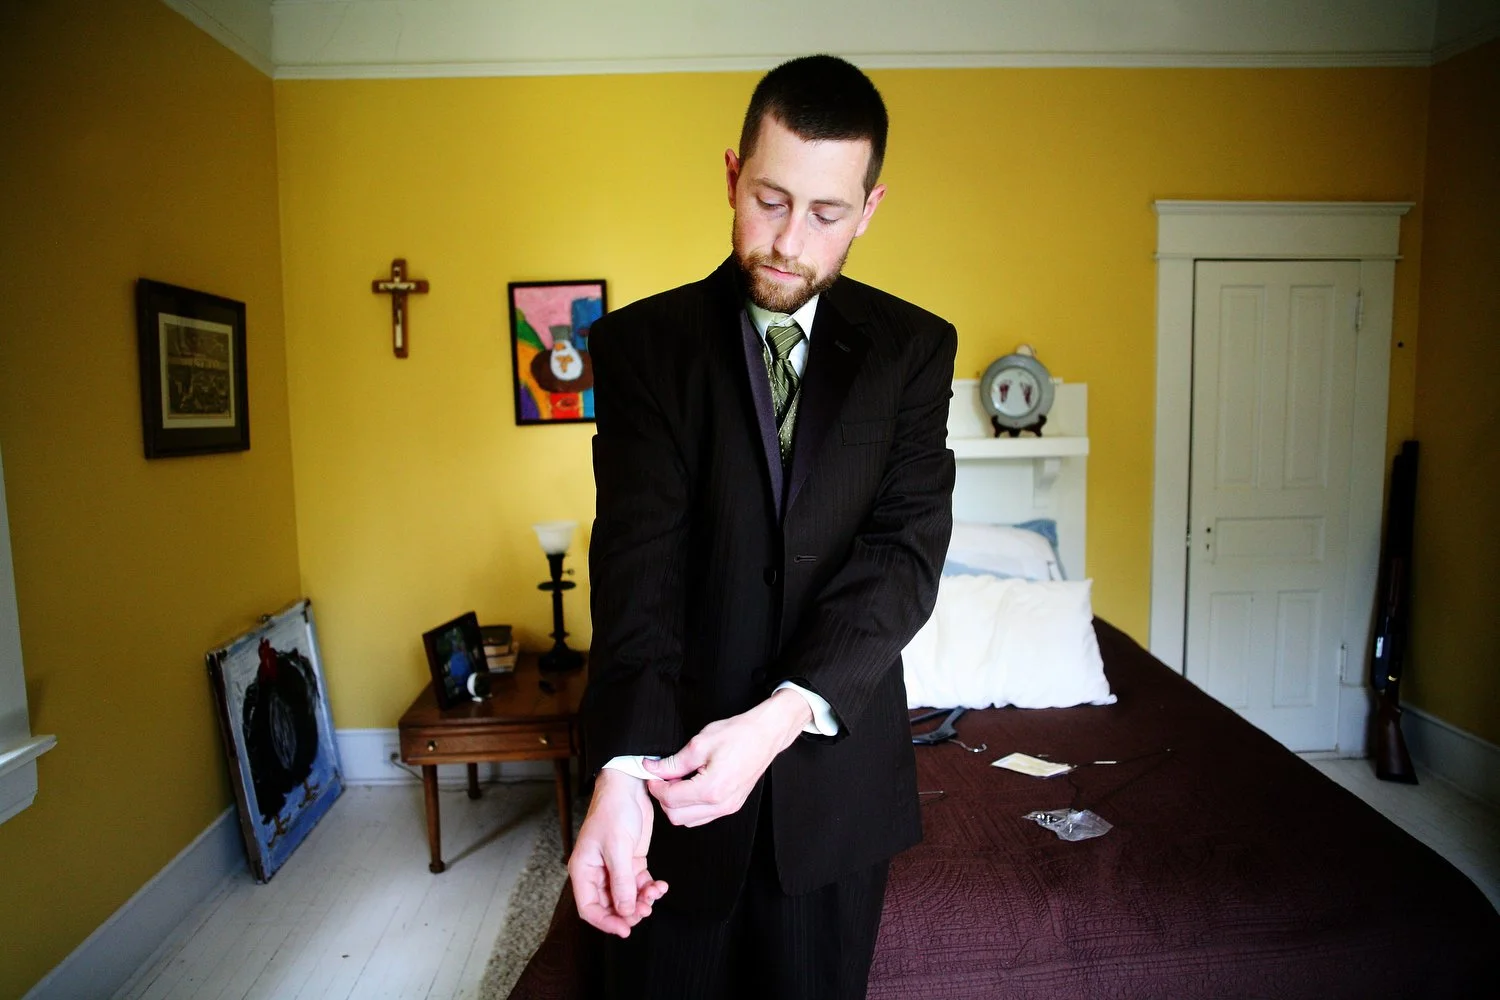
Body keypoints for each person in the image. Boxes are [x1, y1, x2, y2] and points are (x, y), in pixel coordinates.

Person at [570, 54, 957, 1000]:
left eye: (826, 214)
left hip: (834, 800)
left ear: (868, 209)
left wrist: (782, 719)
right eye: (770, 199)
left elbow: (902, 556)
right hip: (673, 779)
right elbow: (637, 570)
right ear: (733, 173)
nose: (788, 241)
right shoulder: (639, 349)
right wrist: (619, 772)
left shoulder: (914, 351)